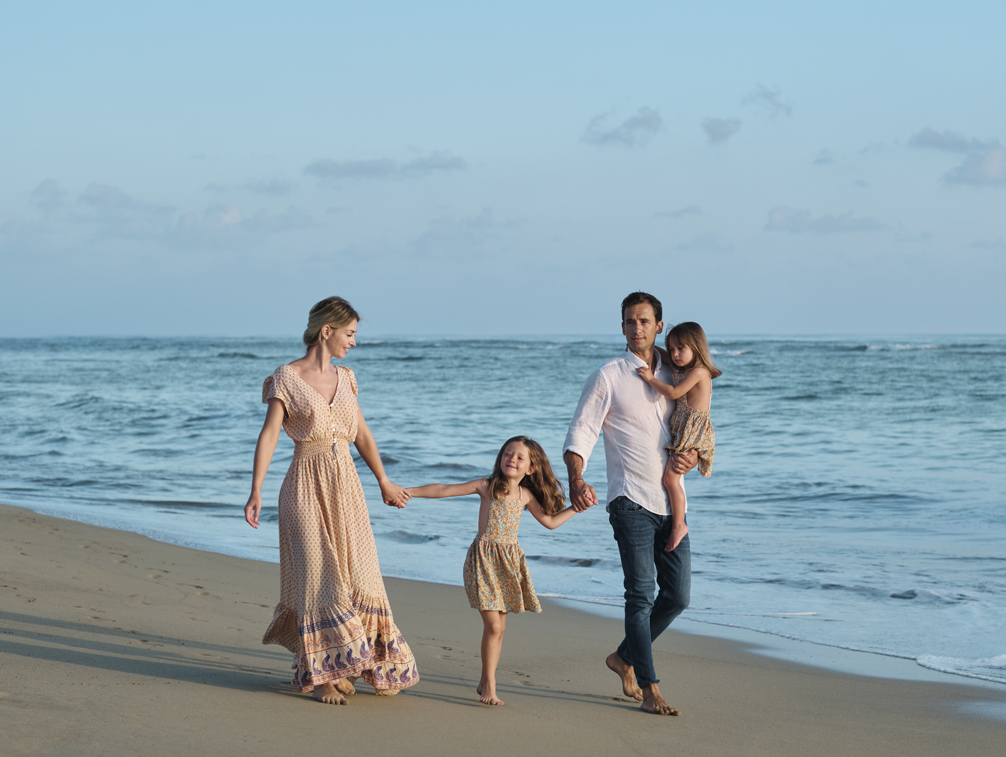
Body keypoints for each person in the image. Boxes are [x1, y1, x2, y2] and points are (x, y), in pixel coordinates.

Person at [243, 297, 418, 705]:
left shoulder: (347, 378)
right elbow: (270, 434)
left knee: (360, 577)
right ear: (327, 331)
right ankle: (323, 677)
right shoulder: (286, 377)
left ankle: (346, 665)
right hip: (304, 486)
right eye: (350, 333)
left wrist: (384, 481)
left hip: (347, 489)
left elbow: (362, 434)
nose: (354, 341)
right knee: (317, 578)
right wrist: (256, 489)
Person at [563, 292, 699, 716]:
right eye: (629, 321)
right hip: (630, 501)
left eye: (643, 321)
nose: (636, 328)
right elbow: (581, 432)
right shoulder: (608, 376)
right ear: (621, 327)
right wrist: (576, 479)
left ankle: (623, 657)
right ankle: (650, 687)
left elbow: (694, 425)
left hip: (672, 504)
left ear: (659, 325)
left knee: (677, 596)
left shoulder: (679, 372)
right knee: (640, 596)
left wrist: (694, 456)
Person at [406, 436, 578, 706]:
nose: (512, 459)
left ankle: (485, 680)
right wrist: (408, 492)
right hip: (483, 561)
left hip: (508, 564)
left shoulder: (525, 495)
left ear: (531, 469)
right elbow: (444, 489)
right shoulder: (487, 486)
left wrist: (576, 508)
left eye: (519, 457)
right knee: (493, 625)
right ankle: (490, 684)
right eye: (508, 453)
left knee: (500, 629)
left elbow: (550, 522)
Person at [635, 321, 721, 553]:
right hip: (686, 429)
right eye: (671, 348)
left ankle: (679, 525)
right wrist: (650, 347)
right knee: (671, 478)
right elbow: (665, 356)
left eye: (680, 348)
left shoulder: (698, 372)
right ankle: (677, 522)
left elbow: (674, 393)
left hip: (693, 432)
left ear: (696, 347)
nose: (674, 354)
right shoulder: (686, 369)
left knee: (671, 479)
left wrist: (650, 378)